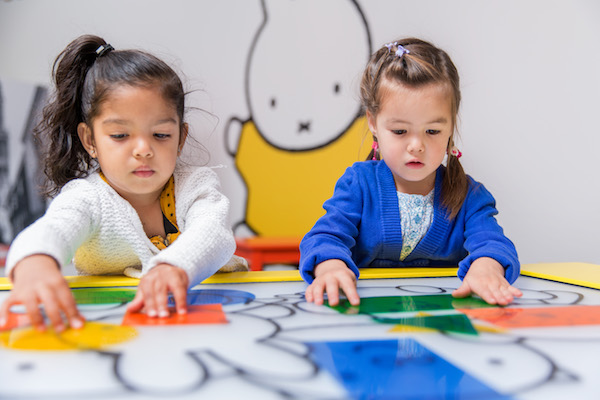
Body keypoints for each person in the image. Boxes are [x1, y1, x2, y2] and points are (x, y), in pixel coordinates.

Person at [0, 35, 245, 332]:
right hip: (115, 322)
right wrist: (34, 263)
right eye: (120, 136)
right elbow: (53, 229)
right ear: (90, 140)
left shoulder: (196, 184)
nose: (143, 149)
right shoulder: (86, 198)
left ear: (180, 138)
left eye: (161, 135)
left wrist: (174, 267)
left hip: (208, 309)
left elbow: (214, 233)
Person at [299, 38, 521, 307]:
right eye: (400, 131)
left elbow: (493, 243)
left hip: (440, 319)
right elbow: (325, 237)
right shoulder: (359, 184)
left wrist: (487, 266)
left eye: (432, 131)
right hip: (366, 318)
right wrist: (330, 266)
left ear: (451, 125)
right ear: (373, 122)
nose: (417, 146)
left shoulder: (470, 197)